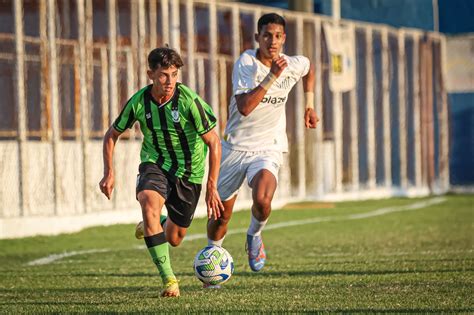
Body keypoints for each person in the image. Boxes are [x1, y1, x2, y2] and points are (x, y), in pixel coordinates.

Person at [99, 47, 224, 298]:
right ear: (151, 74)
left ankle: (154, 225)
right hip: (154, 163)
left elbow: (214, 142)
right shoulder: (139, 102)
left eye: (174, 74)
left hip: (190, 173)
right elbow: (111, 135)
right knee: (148, 202)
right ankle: (169, 280)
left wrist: (212, 186)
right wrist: (108, 173)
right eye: (164, 75)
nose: (170, 81)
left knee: (175, 238)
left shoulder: (189, 101)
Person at [206, 13, 319, 277]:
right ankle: (212, 260)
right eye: (267, 35)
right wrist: (271, 77)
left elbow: (310, 68)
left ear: (284, 39)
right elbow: (245, 108)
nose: (273, 41)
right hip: (235, 147)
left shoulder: (291, 63)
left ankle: (254, 235)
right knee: (221, 217)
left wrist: (310, 104)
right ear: (257, 37)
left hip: (268, 145)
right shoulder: (246, 63)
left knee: (263, 199)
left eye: (278, 36)